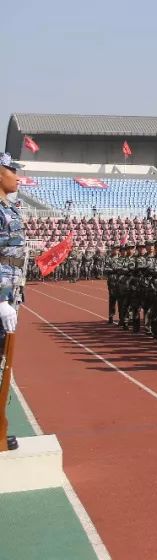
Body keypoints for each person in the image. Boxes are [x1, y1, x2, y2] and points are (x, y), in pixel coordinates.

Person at [0, 154, 24, 451]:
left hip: (11, 292)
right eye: (13, 171)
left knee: (3, 363)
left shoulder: (10, 207)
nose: (18, 178)